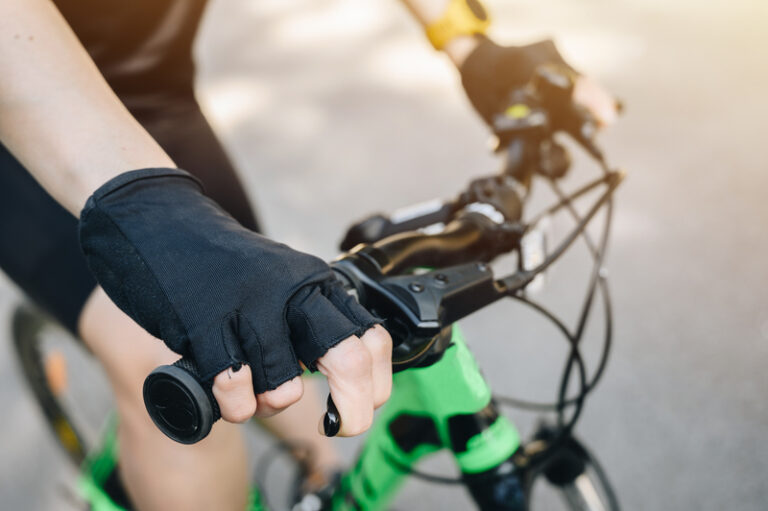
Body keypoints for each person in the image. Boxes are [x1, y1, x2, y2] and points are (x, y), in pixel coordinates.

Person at [0, 0, 617, 509]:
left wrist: (469, 43)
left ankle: (317, 471)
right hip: (16, 106)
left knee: (272, 340)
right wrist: (145, 202)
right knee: (171, 357)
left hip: (154, 94)